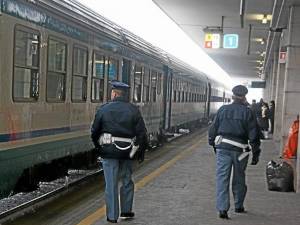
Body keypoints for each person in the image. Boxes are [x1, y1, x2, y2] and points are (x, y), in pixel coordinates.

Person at [91, 81, 148, 223]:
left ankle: (112, 216)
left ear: (114, 94)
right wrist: (140, 152)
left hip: (109, 151)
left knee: (111, 184)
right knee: (127, 181)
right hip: (127, 151)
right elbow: (142, 133)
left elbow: (94, 131)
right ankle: (126, 211)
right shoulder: (133, 110)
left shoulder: (103, 109)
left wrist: (99, 148)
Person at [208, 85, 261, 219]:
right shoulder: (248, 112)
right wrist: (256, 153)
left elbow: (213, 129)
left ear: (233, 95)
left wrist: (212, 143)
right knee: (239, 178)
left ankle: (222, 209)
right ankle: (238, 205)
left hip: (223, 148)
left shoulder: (223, 109)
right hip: (240, 150)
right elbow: (254, 134)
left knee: (222, 178)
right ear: (244, 97)